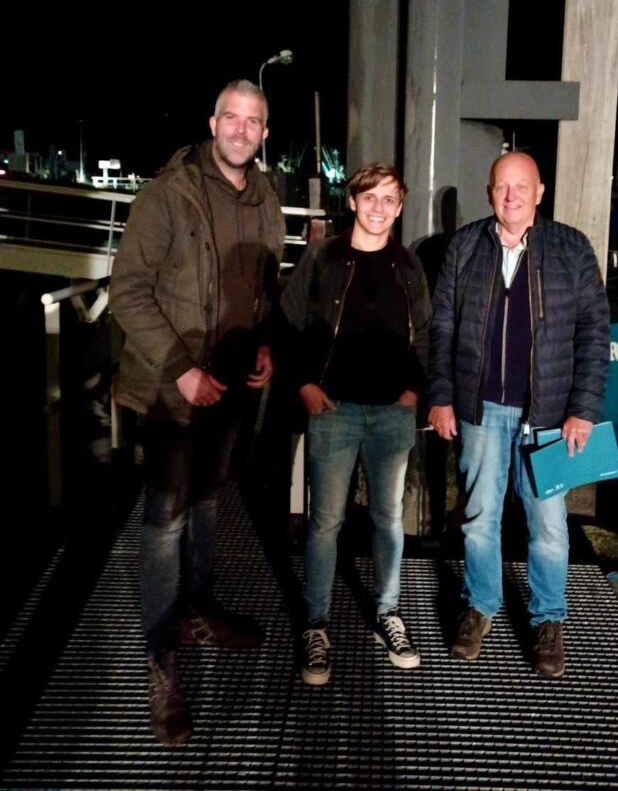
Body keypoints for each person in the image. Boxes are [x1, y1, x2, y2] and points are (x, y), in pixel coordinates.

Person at [110, 79, 285, 745]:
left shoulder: (266, 198)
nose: (242, 130)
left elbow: (266, 286)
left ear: (264, 132)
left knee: (209, 502)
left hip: (230, 390)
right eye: (232, 118)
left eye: (254, 121)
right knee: (164, 520)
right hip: (171, 389)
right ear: (213, 123)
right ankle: (163, 663)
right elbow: (127, 292)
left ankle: (199, 608)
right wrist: (181, 371)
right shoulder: (167, 195)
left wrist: (266, 342)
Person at [427, 151, 609, 677]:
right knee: (480, 521)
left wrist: (583, 409)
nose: (511, 195)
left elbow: (595, 332)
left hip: (550, 415)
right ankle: (482, 607)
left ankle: (548, 618)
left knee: (549, 526)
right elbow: (441, 328)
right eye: (502, 186)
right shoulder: (464, 246)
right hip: (481, 410)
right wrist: (441, 395)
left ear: (540, 191)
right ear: (489, 193)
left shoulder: (571, 247)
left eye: (521, 186)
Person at [279, 163, 431, 686]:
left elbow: (425, 336)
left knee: (389, 518)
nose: (379, 207)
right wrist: (304, 382)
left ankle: (388, 613)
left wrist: (415, 391)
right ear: (354, 201)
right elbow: (290, 322)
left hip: (393, 411)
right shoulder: (323, 258)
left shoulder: (408, 267)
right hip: (334, 410)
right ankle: (316, 625)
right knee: (326, 522)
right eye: (371, 197)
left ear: (401, 206)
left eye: (390, 199)